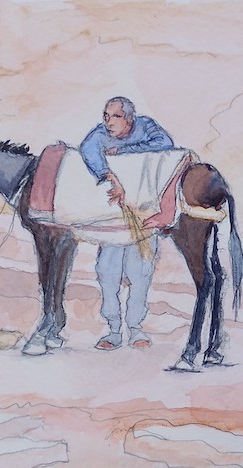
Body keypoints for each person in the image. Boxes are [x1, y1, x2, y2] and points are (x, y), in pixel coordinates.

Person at [79, 97, 174, 350]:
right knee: (107, 273)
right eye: (106, 116)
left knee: (140, 274)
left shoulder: (146, 126)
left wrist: (123, 152)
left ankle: (135, 329)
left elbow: (165, 143)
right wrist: (109, 176)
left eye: (116, 116)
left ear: (130, 119)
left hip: (143, 217)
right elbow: (87, 150)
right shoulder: (100, 134)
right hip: (113, 218)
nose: (108, 122)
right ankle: (113, 330)